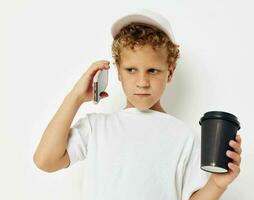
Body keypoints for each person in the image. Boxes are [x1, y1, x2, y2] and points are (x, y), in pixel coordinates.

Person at [33, 8, 242, 200]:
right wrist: (76, 97)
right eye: (131, 70)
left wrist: (217, 184)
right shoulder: (97, 128)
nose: (142, 82)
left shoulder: (184, 136)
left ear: (169, 72)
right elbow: (46, 160)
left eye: (153, 70)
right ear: (118, 73)